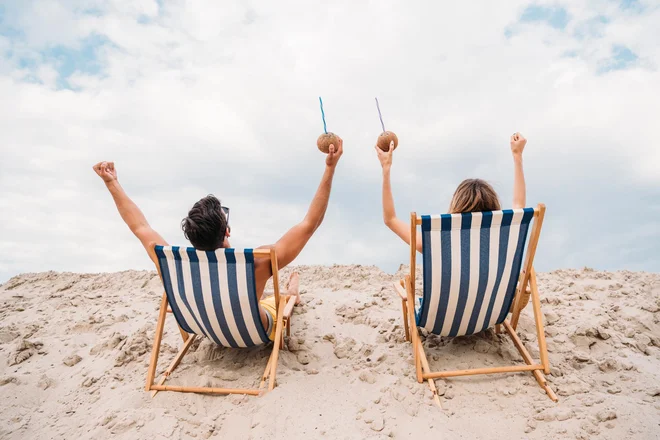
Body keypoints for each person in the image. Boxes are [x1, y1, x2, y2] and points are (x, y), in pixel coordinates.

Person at [93, 139, 343, 340]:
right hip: (253, 332)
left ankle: (287, 295)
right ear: (227, 231)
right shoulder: (257, 262)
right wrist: (330, 168)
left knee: (254, 296)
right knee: (277, 302)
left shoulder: (171, 261)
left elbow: (139, 226)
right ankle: (291, 295)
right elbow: (310, 224)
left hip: (205, 329)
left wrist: (111, 182)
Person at [375, 132, 528, 253]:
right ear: (493, 205)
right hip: (497, 294)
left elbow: (390, 219)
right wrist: (517, 156)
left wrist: (386, 168)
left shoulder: (439, 243)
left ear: (457, 204)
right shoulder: (504, 236)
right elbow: (518, 204)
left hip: (448, 294)